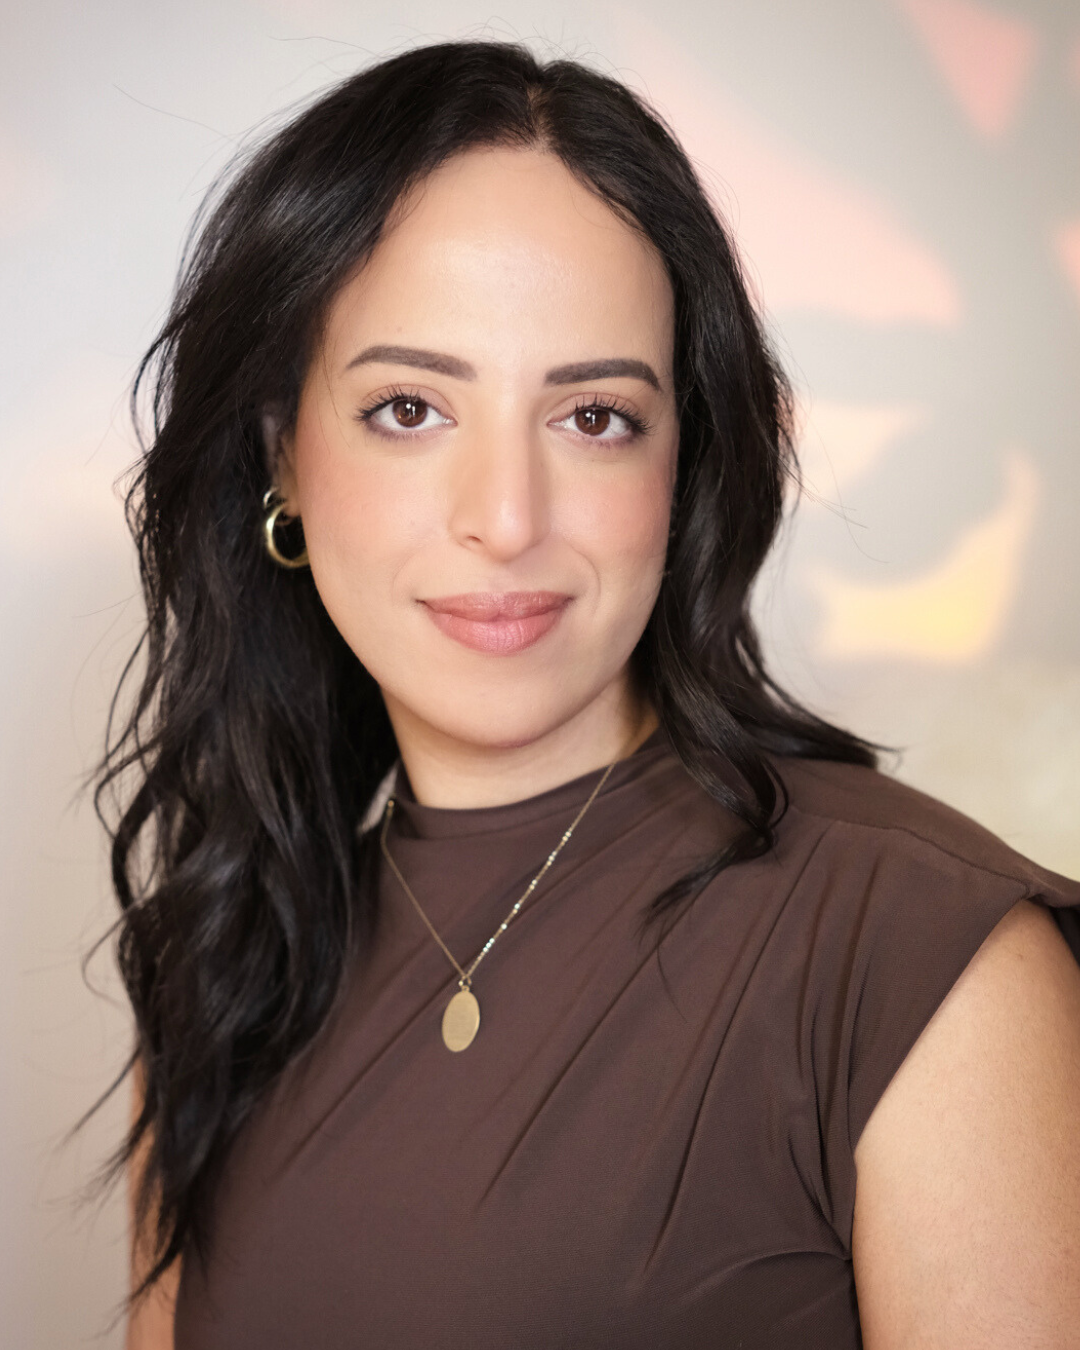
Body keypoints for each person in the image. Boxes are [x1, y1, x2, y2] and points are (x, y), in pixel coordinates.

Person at [95, 39, 1080, 1350]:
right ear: (283, 452)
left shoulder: (920, 961)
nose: (505, 518)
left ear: (687, 465)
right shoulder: (221, 965)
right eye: (407, 406)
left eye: (596, 416)